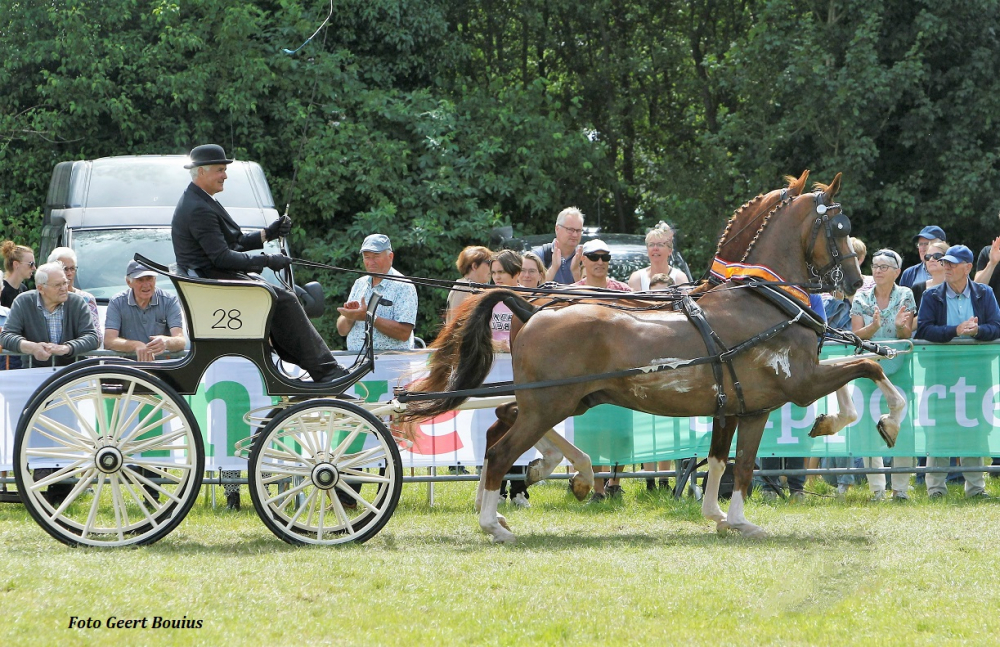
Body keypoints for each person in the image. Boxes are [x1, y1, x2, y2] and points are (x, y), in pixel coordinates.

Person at [172, 144, 347, 382]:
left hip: (214, 278)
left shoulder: (201, 200)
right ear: (201, 171)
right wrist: (267, 260)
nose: (225, 175)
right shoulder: (199, 208)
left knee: (283, 295)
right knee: (284, 299)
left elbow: (235, 242)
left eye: (225, 170)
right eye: (220, 170)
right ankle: (325, 371)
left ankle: (314, 365)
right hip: (213, 282)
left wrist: (268, 233)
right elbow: (222, 257)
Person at [0, 262, 100, 505]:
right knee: (32, 432)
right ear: (41, 288)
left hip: (67, 379)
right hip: (32, 379)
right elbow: (7, 336)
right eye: (58, 285)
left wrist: (67, 348)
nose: (65, 287)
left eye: (65, 283)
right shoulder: (23, 302)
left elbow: (92, 337)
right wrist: (31, 347)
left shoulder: (76, 303)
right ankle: (33, 490)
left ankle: (62, 491)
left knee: (67, 432)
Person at [915, 244, 1000, 499]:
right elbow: (923, 330)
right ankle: (936, 489)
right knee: (938, 429)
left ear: (968, 267)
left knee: (975, 429)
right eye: (945, 262)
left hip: (976, 374)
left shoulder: (985, 293)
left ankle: (976, 488)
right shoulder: (931, 295)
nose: (946, 267)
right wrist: (956, 331)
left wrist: (978, 331)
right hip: (940, 374)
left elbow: (997, 326)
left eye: (952, 263)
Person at [850, 248, 916, 501]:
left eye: (884, 267)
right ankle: (877, 490)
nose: (877, 271)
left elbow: (906, 334)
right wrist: (873, 327)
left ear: (896, 272)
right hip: (868, 371)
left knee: (903, 428)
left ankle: (900, 489)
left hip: (899, 371)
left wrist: (900, 328)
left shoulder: (906, 295)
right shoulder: (861, 296)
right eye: (875, 266)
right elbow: (856, 335)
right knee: (868, 430)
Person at [572, 239, 632, 500]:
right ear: (582, 259)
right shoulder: (572, 293)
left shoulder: (624, 291)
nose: (599, 262)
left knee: (621, 432)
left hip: (619, 372)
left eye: (605, 257)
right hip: (585, 374)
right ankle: (597, 489)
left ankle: (615, 484)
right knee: (591, 434)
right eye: (594, 256)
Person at [337, 234, 418, 352]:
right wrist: (350, 317)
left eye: (376, 256)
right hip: (355, 358)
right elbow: (342, 331)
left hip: (391, 360)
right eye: (367, 257)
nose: (371, 262)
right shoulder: (359, 283)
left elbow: (404, 333)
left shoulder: (404, 286)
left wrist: (369, 317)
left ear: (390, 257)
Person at [104, 260, 186, 360]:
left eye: (149, 278)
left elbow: (181, 341)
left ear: (155, 280)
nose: (146, 285)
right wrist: (136, 345)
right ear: (129, 282)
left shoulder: (170, 301)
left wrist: (166, 342)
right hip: (127, 366)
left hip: (163, 366)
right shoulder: (117, 302)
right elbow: (109, 341)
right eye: (140, 280)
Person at [47, 247, 102, 348]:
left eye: (72, 268)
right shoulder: (43, 298)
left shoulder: (86, 299)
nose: (69, 273)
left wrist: (68, 348)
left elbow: (97, 337)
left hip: (78, 356)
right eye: (64, 269)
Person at [1, 241, 35, 369]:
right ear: (16, 265)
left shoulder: (23, 289)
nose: (34, 268)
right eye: (31, 264)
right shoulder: (3, 291)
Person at [531, 207, 585, 284]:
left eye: (578, 230)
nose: (575, 235)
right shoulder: (539, 256)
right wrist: (553, 268)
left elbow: (591, 290)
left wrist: (575, 272)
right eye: (570, 230)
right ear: (557, 229)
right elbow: (531, 288)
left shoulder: (587, 258)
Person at [628, 222, 687, 291]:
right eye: (651, 245)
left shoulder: (679, 278)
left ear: (670, 250)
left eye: (660, 245)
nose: (655, 248)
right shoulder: (637, 279)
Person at [446, 246, 492, 323]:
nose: (492, 268)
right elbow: (457, 323)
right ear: (474, 266)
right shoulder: (463, 288)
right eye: (489, 263)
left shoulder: (468, 287)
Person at [910, 240, 950, 311]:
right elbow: (909, 318)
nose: (931, 260)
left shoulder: (957, 288)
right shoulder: (917, 289)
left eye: (937, 256)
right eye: (927, 257)